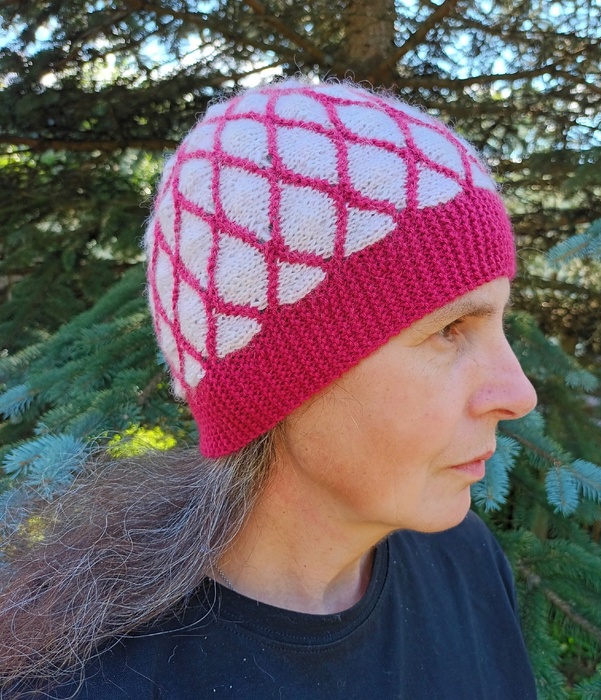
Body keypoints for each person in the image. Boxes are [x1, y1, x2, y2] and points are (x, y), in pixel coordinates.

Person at [0, 78, 538, 699]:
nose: (518, 393)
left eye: (498, 323)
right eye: (449, 330)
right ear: (281, 378)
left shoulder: (464, 563)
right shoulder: (91, 684)